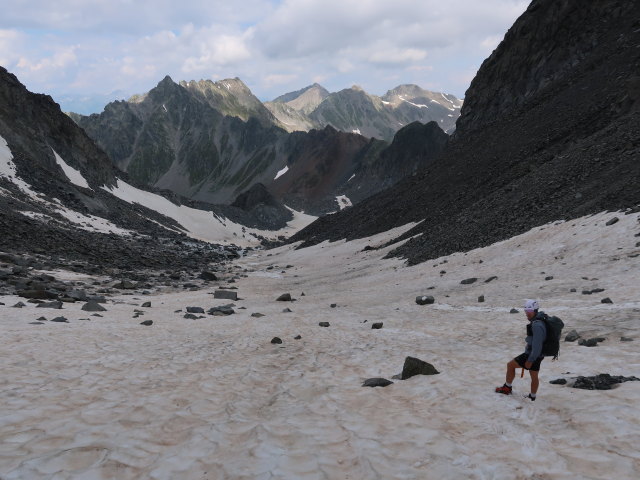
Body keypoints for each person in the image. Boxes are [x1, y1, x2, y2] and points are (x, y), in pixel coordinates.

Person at [495, 299, 547, 401]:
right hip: (538, 355)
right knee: (534, 375)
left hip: (532, 355)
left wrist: (530, 360)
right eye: (526, 311)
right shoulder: (541, 319)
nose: (527, 314)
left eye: (529, 311)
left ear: (535, 311)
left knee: (510, 365)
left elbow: (537, 346)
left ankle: (507, 388)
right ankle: (532, 396)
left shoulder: (536, 325)